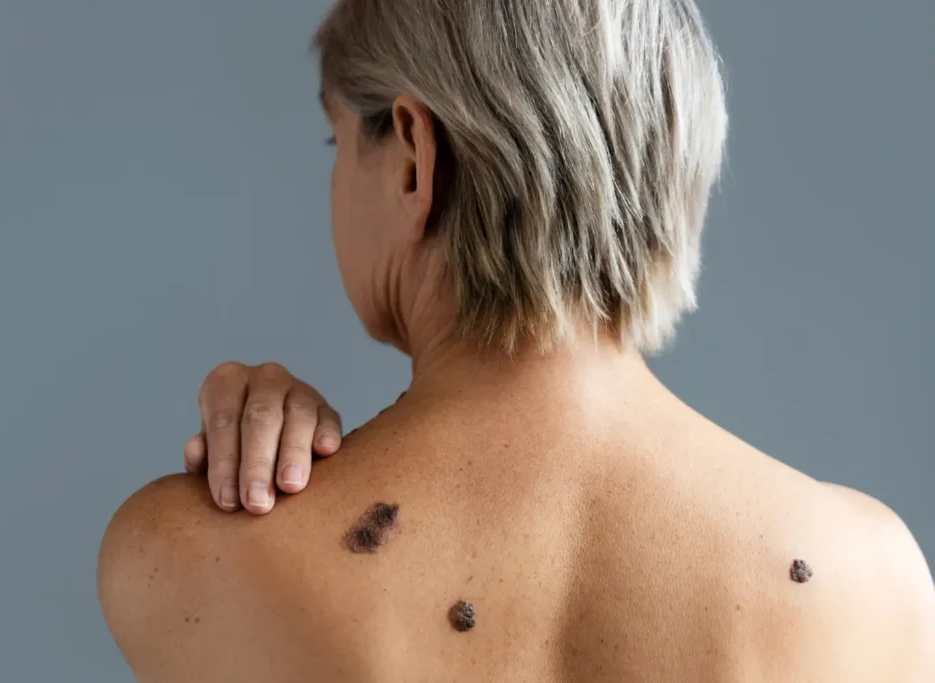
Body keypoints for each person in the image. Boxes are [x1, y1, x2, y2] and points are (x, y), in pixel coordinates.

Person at [97, 0, 935, 681]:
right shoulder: (872, 583)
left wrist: (254, 492)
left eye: (336, 140)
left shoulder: (188, 558)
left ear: (414, 160)